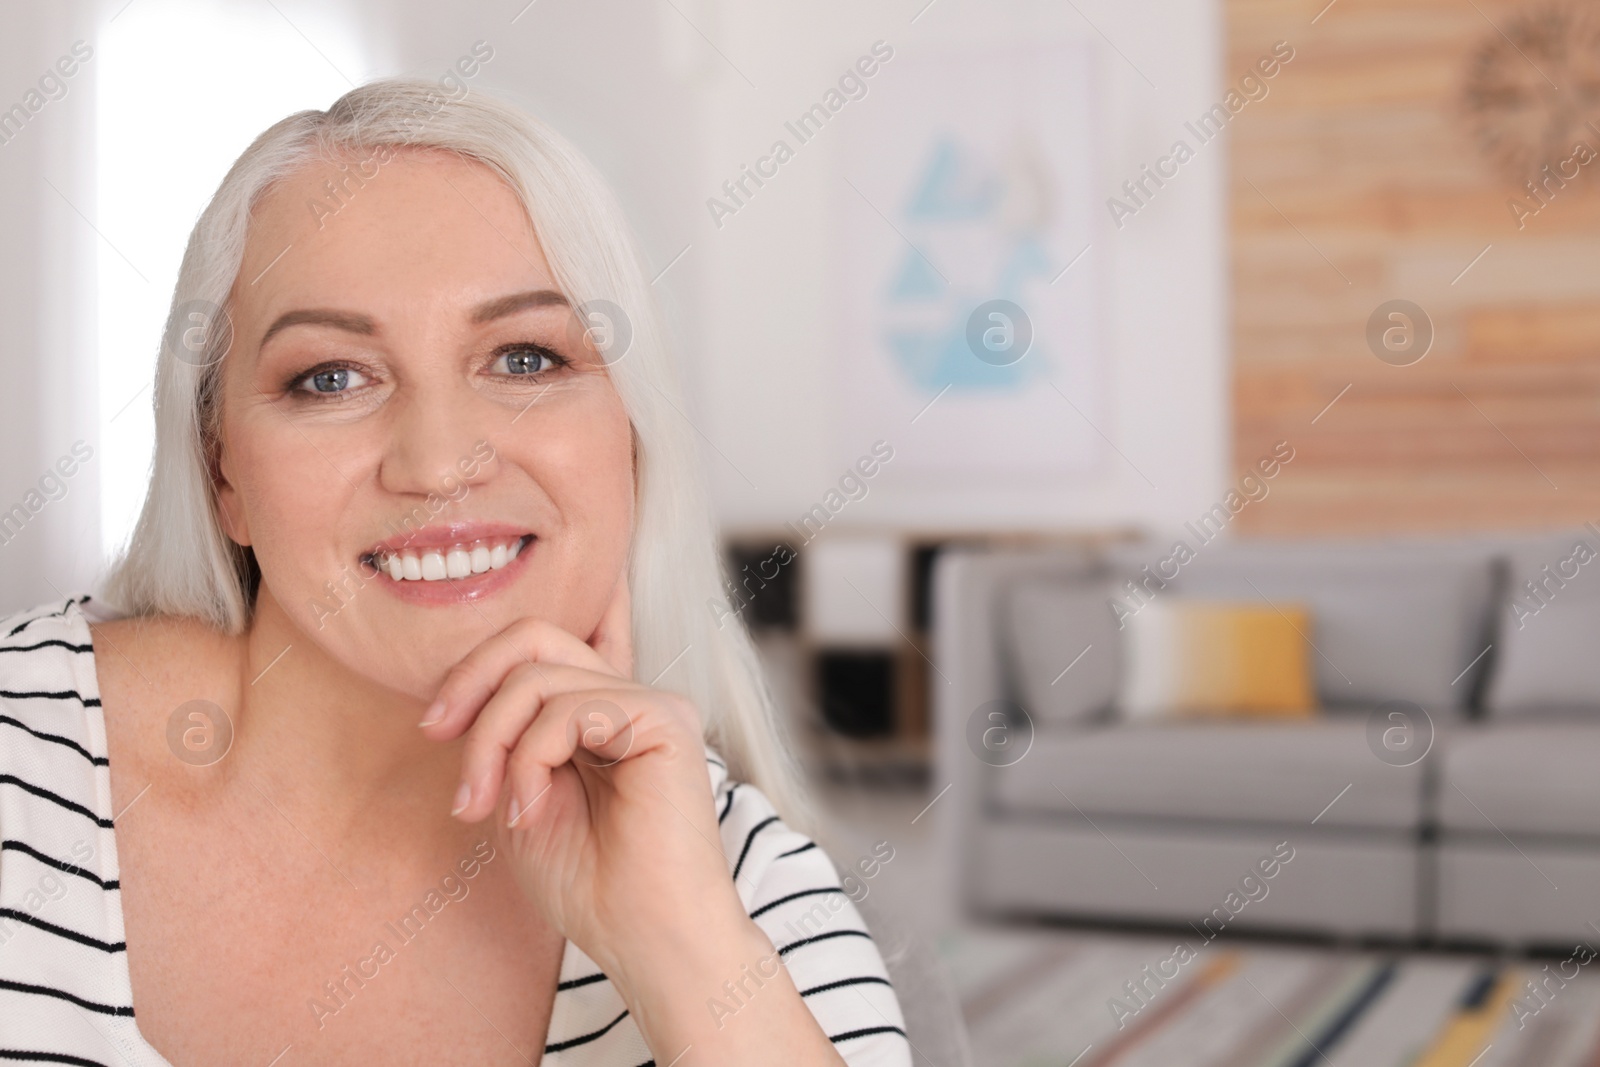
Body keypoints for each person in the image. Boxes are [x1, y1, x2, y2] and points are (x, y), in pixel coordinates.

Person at [0, 77, 911, 1066]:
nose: (438, 463)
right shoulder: (24, 757)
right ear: (225, 471)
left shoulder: (743, 900)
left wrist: (680, 952)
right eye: (332, 376)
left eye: (523, 358)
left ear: (630, 438)